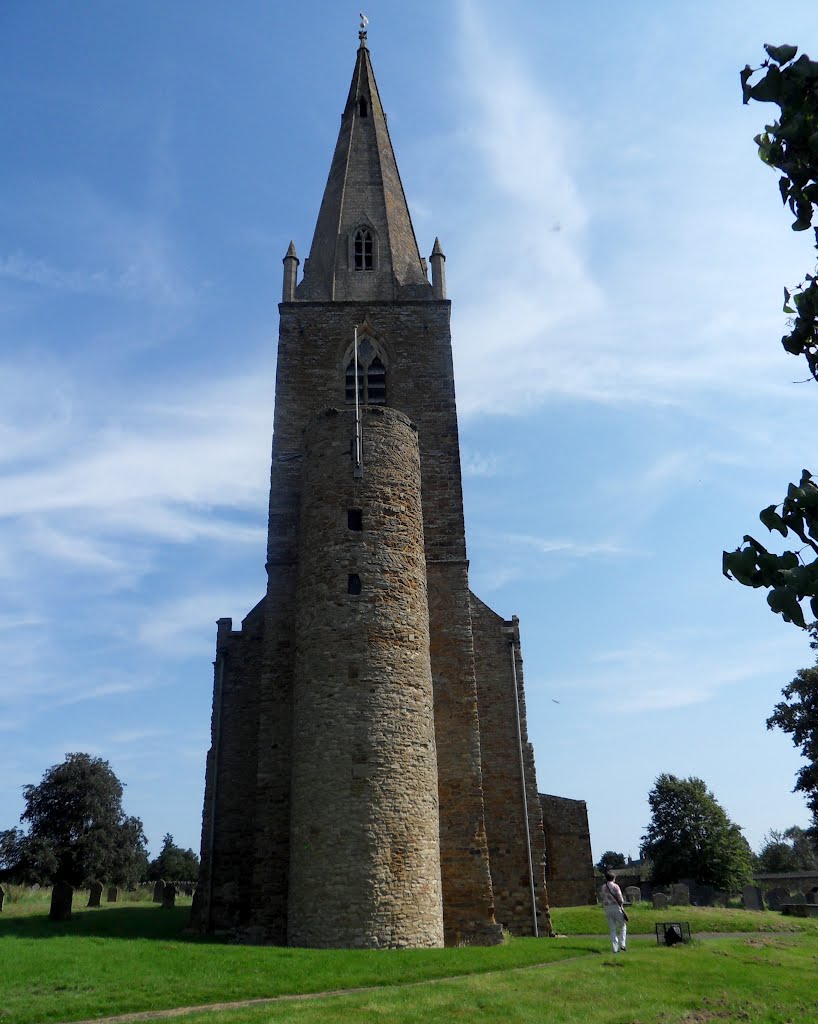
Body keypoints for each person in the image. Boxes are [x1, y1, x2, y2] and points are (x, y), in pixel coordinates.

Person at [600, 869, 627, 953]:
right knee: (622, 926)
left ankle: (615, 948)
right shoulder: (616, 886)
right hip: (616, 907)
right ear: (613, 878)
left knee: (612, 929)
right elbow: (620, 898)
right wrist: (622, 905)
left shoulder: (603, 887)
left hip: (607, 908)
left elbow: (602, 897)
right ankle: (622, 944)